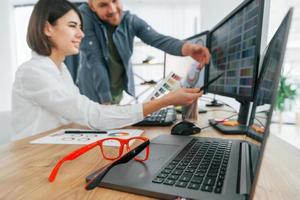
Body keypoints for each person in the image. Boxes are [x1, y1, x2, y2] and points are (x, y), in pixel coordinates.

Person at [11, 0, 203, 140]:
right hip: (33, 159)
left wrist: (187, 48)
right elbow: (91, 111)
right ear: (47, 28)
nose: (81, 34)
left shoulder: (61, 70)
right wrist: (165, 101)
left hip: (54, 149)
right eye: (72, 26)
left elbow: (157, 38)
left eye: (80, 27)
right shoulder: (34, 72)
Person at [65, 0, 210, 104]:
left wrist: (189, 49)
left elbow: (158, 39)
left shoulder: (130, 20)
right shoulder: (84, 17)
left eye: (115, 1)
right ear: (91, 6)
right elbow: (95, 61)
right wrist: (106, 101)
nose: (112, 9)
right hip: (92, 91)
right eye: (103, 5)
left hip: (117, 90)